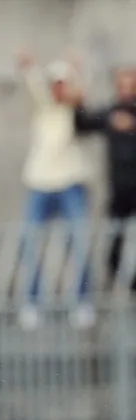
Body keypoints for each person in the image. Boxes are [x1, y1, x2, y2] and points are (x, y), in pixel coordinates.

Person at [17, 54, 93, 329]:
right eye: (55, 84)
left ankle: (83, 301)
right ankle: (32, 302)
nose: (59, 89)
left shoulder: (75, 111)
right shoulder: (43, 107)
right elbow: (34, 84)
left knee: (80, 243)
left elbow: (83, 98)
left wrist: (78, 72)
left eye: (64, 83)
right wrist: (28, 67)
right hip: (39, 183)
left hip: (70, 182)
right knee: (30, 243)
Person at [76, 66, 136, 293]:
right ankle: (121, 285)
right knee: (114, 246)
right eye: (124, 87)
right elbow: (84, 123)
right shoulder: (111, 113)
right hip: (119, 190)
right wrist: (78, 102)